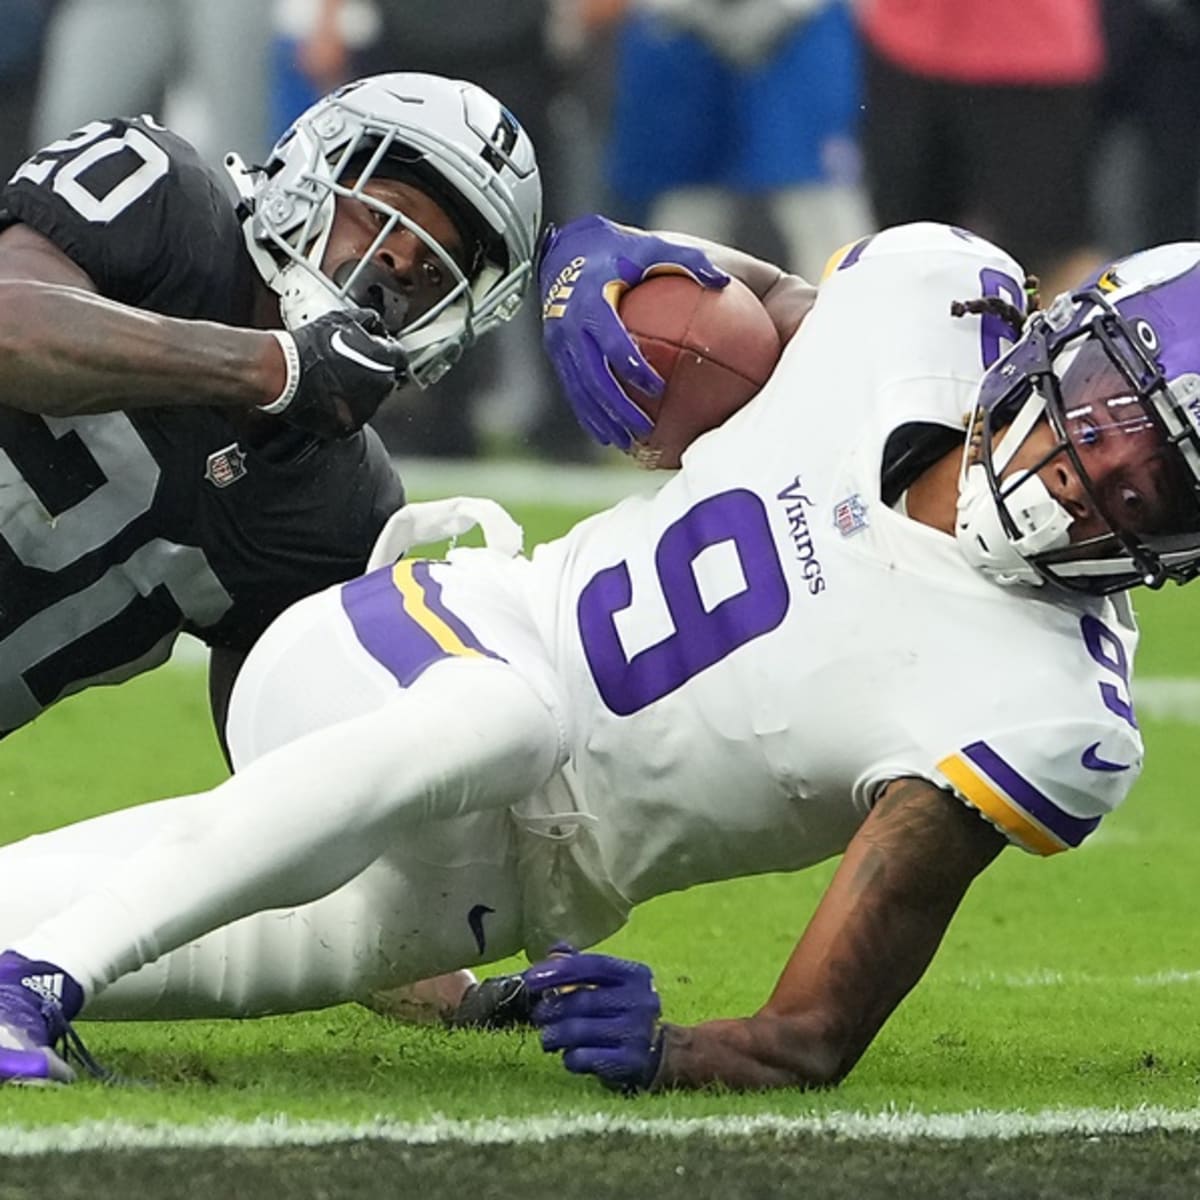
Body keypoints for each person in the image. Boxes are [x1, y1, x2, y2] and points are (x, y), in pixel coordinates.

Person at [2, 217, 1199, 1092]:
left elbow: (809, 1036)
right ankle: (43, 984)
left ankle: (26, 954)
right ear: (1061, 339)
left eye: (1162, 487)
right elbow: (720, 292)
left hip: (508, 889)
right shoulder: (926, 302)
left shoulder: (1047, 712)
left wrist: (672, 1051)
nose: (1102, 478)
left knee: (204, 929)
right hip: (434, 643)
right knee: (508, 716)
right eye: (1112, 416)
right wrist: (600, 267)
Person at [0, 70, 541, 751]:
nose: (395, 266)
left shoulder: (341, 514)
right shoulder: (165, 197)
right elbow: (8, 325)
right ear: (311, 178)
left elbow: (277, 780)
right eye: (381, 216)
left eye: (433, 272)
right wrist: (270, 367)